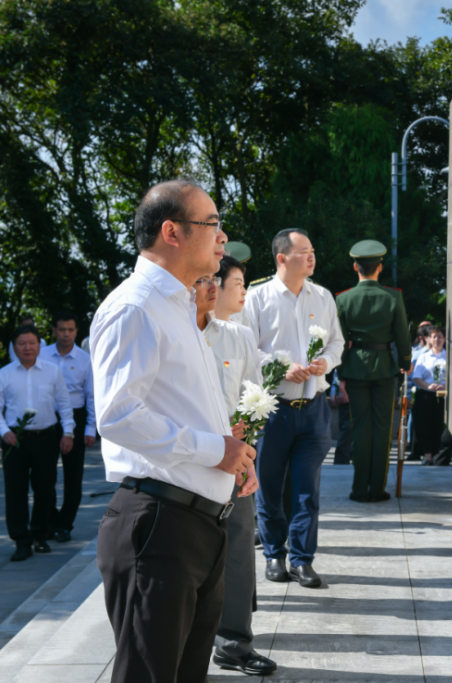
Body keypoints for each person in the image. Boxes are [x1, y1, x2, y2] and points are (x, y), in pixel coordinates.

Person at [90, 179, 259, 683]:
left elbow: (181, 408)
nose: (222, 237)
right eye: (212, 225)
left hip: (197, 524)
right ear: (172, 232)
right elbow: (119, 415)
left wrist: (232, 461)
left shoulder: (180, 306)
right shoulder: (135, 307)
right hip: (158, 525)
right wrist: (214, 450)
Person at [244, 228, 344, 587]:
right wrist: (279, 368)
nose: (312, 256)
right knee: (269, 488)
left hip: (314, 408)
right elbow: (248, 351)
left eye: (312, 250)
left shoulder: (323, 297)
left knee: (307, 491)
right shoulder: (257, 299)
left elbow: (336, 342)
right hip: (274, 410)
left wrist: (326, 363)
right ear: (282, 258)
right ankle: (274, 555)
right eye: (303, 251)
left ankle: (302, 559)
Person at [193, 260, 278, 677]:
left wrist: (248, 453)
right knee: (189, 557)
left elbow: (254, 399)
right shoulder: (179, 334)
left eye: (215, 279)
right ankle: (189, 644)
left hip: (234, 464)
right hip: (187, 465)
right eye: (204, 279)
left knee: (240, 551)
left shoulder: (239, 337)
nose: (210, 286)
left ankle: (233, 644)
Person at [0, 325, 75, 561]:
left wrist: (68, 433)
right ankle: (21, 541)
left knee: (45, 490)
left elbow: (65, 404)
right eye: (22, 343)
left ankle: (40, 535)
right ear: (14, 347)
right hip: (14, 441)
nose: (27, 347)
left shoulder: (52, 371)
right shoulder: (3, 375)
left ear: (40, 345)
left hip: (46, 439)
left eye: (32, 343)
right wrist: (4, 431)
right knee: (15, 492)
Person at [335, 240, 412, 502]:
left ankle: (359, 489)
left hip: (355, 368)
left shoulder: (343, 299)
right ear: (379, 267)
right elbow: (402, 334)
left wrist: (342, 374)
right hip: (384, 368)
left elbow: (341, 342)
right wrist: (405, 362)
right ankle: (376, 489)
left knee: (360, 429)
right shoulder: (393, 296)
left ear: (356, 266)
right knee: (382, 430)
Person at [39, 312, 96, 543]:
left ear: (76, 332)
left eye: (70, 330)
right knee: (45, 475)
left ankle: (65, 524)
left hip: (77, 415)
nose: (66, 334)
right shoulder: (41, 356)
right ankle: (50, 520)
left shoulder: (84, 359)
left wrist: (90, 428)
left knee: (73, 476)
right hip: (47, 418)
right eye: (62, 329)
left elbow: (91, 395)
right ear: (53, 331)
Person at [411, 325, 447, 465]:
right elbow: (417, 377)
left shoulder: (449, 357)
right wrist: (428, 386)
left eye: (440, 336)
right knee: (425, 426)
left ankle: (439, 455)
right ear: (429, 339)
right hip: (426, 396)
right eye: (434, 337)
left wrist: (446, 386)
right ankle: (427, 457)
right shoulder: (423, 357)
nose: (437, 339)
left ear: (444, 339)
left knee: (439, 426)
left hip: (443, 395)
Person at [406, 322, 432, 458]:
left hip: (434, 394)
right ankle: (415, 450)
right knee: (416, 421)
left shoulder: (441, 353)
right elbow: (410, 378)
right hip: (419, 393)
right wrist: (409, 396)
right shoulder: (417, 354)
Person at [328, 368, 352, 464]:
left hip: (358, 396)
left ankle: (341, 463)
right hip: (343, 400)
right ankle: (341, 465)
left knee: (348, 432)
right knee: (345, 430)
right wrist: (334, 392)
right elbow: (338, 371)